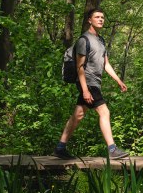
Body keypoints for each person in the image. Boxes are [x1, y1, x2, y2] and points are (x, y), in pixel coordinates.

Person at [54, 8, 129, 160]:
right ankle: (112, 149)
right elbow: (79, 67)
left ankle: (60, 147)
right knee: (104, 112)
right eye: (97, 17)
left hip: (94, 83)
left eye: (102, 17)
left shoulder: (101, 41)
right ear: (90, 20)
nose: (101, 19)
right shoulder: (84, 40)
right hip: (88, 82)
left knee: (78, 115)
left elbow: (106, 64)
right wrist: (85, 90)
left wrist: (118, 80)